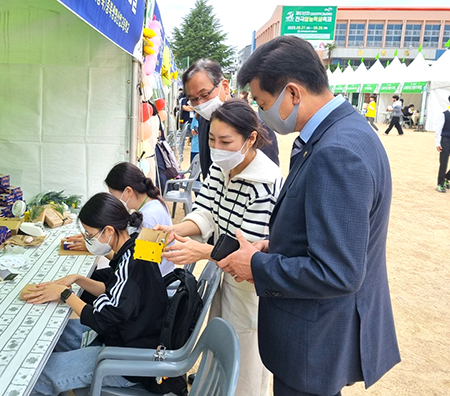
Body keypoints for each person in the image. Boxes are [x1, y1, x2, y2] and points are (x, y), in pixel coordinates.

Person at [222, 35, 400, 396]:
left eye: (262, 102)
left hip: (313, 342)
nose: (260, 113)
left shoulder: (337, 152)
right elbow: (332, 231)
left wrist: (255, 266)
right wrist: (275, 245)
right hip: (315, 335)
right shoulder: (342, 133)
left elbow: (338, 271)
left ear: (292, 93)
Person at [156, 99, 282, 396]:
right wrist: (176, 230)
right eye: (212, 139)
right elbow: (205, 212)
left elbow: (246, 251)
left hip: (248, 285)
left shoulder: (264, 181)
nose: (218, 147)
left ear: (251, 138)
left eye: (226, 141)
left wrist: (201, 252)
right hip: (221, 277)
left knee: (245, 363)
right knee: (219, 353)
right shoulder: (220, 168)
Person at [26, 193, 169, 396]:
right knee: (54, 335)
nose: (87, 239)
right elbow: (116, 291)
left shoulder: (131, 264)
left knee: (39, 374)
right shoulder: (137, 245)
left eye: (89, 234)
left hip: (129, 360)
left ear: (108, 230)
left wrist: (66, 295)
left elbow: (102, 318)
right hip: (126, 337)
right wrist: (77, 279)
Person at [65, 162, 175, 276]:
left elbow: (137, 266)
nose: (113, 199)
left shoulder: (147, 219)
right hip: (156, 274)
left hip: (154, 283)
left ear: (128, 191)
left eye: (113, 194)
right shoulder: (155, 202)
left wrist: (96, 245)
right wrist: (95, 238)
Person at [182, 59, 280, 180]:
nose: (200, 103)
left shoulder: (256, 124)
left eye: (205, 95)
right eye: (193, 99)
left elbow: (270, 178)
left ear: (225, 86)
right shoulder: (204, 119)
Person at [435, 95, 450, 192]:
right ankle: (440, 184)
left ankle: (446, 177)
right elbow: (439, 129)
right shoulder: (444, 114)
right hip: (445, 140)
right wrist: (437, 143)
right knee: (443, 163)